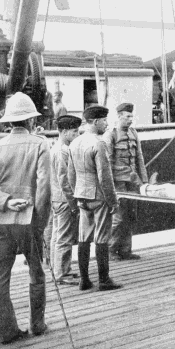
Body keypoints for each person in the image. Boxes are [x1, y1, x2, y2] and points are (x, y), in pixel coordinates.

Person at [0, 92, 50, 344]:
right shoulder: (40, 144)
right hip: (29, 221)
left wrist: (5, 201)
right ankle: (37, 324)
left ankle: (7, 330)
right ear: (30, 121)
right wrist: (41, 224)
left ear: (9, 122)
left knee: (0, 276)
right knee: (36, 272)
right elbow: (44, 189)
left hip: (0, 221)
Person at [67, 105, 122, 291]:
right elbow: (104, 177)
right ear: (96, 121)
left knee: (83, 237)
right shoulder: (99, 143)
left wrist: (76, 194)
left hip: (81, 195)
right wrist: (113, 201)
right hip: (99, 197)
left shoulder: (74, 143)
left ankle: (84, 280)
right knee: (101, 237)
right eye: (104, 121)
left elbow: (70, 175)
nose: (106, 124)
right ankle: (104, 279)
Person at [103, 103, 148, 261]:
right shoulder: (111, 135)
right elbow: (106, 162)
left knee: (130, 215)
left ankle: (125, 250)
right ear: (119, 117)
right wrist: (108, 185)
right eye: (127, 116)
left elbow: (139, 159)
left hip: (133, 181)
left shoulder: (133, 133)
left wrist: (144, 181)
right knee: (118, 217)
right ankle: (111, 249)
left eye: (131, 116)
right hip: (118, 182)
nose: (130, 119)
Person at [50, 115, 82, 285]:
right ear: (63, 132)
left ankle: (59, 270)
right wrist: (74, 203)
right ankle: (62, 274)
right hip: (63, 200)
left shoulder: (57, 148)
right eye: (75, 131)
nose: (78, 134)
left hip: (56, 199)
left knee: (57, 235)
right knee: (64, 236)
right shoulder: (62, 151)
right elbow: (65, 180)